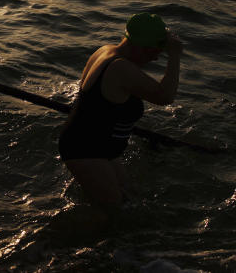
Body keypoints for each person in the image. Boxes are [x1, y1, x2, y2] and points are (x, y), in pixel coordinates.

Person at [58, 12, 182, 212]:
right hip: (86, 149)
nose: (157, 57)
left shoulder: (105, 51)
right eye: (155, 51)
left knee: (130, 198)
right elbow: (165, 97)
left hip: (101, 147)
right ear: (140, 47)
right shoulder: (120, 68)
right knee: (111, 213)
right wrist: (175, 56)